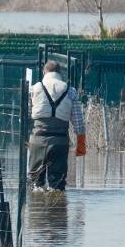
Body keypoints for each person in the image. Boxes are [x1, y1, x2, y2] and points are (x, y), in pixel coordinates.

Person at [28, 61, 86, 190]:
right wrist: (81, 144)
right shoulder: (70, 91)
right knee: (58, 186)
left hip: (37, 140)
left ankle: (35, 208)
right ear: (60, 73)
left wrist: (27, 139)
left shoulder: (34, 89)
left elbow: (26, 115)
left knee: (35, 185)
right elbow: (78, 122)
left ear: (44, 72)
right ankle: (58, 209)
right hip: (60, 142)